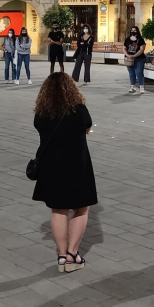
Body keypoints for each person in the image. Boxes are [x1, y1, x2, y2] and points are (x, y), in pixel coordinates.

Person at [32, 73, 97, 272]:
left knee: (58, 209)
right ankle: (72, 254)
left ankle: (61, 255)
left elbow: (39, 128)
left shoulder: (42, 113)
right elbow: (87, 126)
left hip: (51, 166)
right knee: (80, 208)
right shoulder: (79, 110)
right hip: (77, 164)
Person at [124, 26, 146, 94]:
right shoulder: (127, 39)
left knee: (139, 72)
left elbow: (142, 49)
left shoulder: (140, 39)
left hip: (139, 58)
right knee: (131, 73)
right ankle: (132, 87)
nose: (133, 31)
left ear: (137, 31)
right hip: (129, 59)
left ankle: (141, 87)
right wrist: (128, 55)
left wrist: (134, 56)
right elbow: (124, 48)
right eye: (132, 30)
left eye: (135, 30)